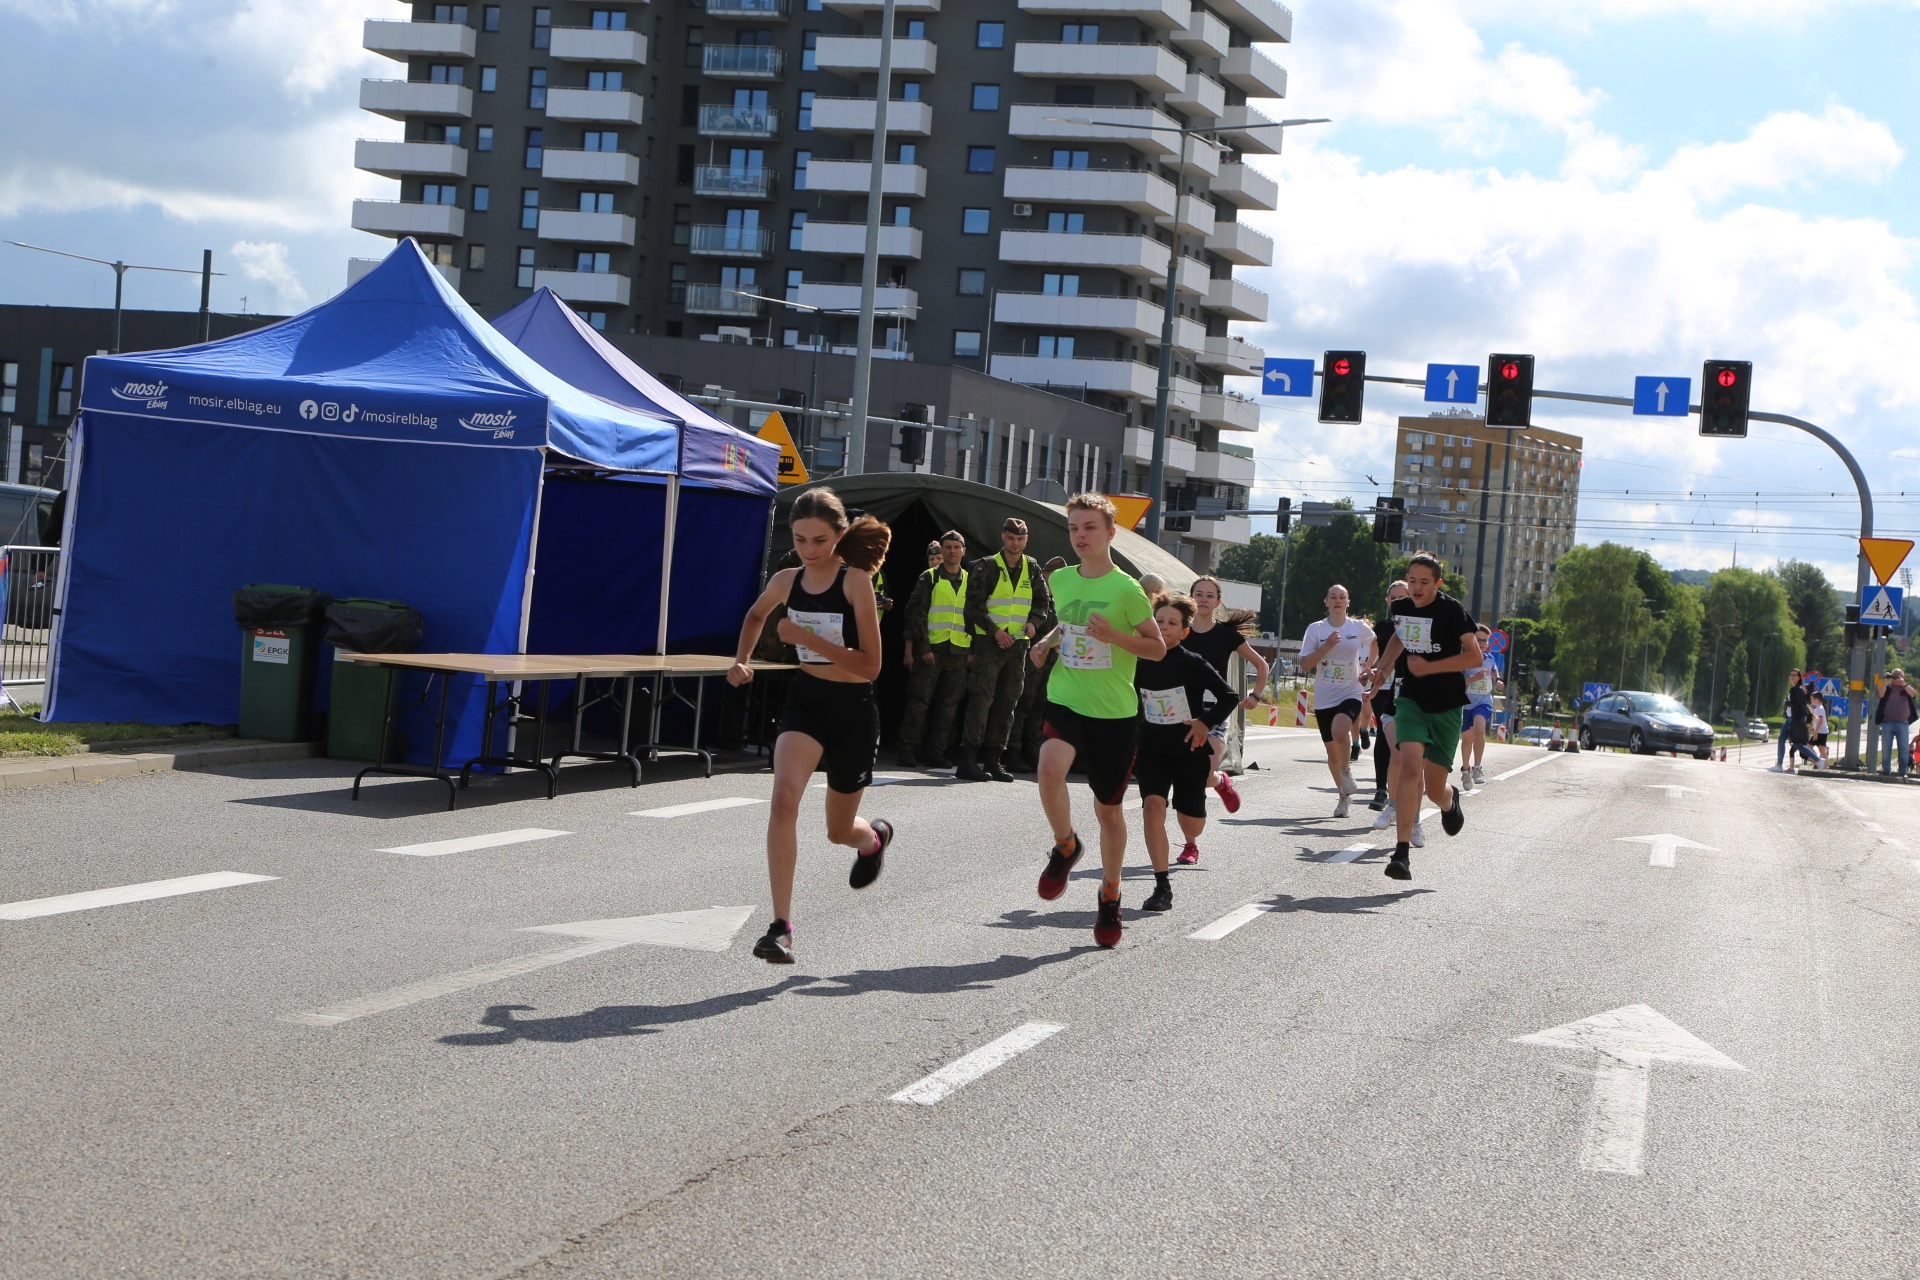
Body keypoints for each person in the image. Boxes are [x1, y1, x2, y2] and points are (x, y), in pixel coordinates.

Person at [726, 488, 894, 964]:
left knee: (838, 831)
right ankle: (780, 928)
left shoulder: (855, 583)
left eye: (819, 540)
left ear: (839, 535)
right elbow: (756, 614)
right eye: (800, 540)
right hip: (807, 702)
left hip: (853, 709)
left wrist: (804, 637)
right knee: (783, 800)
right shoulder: (786, 580)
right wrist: (741, 660)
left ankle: (873, 839)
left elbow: (871, 666)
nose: (809, 550)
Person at [1029, 494, 1165, 948]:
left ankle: (1110, 893)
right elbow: (1069, 623)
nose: (1080, 536)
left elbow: (1156, 647)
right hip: (1067, 697)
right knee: (1049, 770)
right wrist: (1047, 642)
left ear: (1110, 533)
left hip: (1113, 713)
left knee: (1108, 811)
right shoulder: (1062, 579)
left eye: (1089, 527)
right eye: (1074, 528)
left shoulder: (1127, 590)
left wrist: (1114, 636)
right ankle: (1065, 845)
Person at [1366, 553, 1477, 880]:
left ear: (1437, 583)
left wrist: (1430, 667)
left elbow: (1474, 655)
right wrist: (1381, 670)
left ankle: (1449, 801)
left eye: (1424, 582)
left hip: (1446, 704)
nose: (1416, 587)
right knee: (1410, 764)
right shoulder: (1402, 608)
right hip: (1411, 697)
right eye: (1412, 580)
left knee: (1434, 789)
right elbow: (1400, 637)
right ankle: (1401, 854)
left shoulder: (1451, 610)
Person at [1132, 593, 1238, 913]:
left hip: (1188, 749)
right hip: (1151, 749)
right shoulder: (1137, 661)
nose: (1164, 627)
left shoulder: (1192, 662)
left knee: (1192, 824)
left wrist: (1205, 722)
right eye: (1159, 621)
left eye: (1171, 623)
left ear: (1184, 632)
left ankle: (1215, 784)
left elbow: (1229, 696)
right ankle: (1162, 886)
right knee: (1152, 808)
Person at [957, 517, 1054, 782]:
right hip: (990, 644)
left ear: (1026, 540)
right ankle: (968, 760)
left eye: (1020, 539)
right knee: (981, 700)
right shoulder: (986, 566)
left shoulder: (1032, 567)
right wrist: (995, 632)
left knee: (1008, 702)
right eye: (1011, 538)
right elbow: (973, 607)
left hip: (1018, 646)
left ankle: (994, 760)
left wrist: (1034, 624)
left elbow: (1042, 604)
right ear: (1003, 537)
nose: (1015, 543)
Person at [1183, 576, 1271, 834]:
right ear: (1190, 598)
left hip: (1215, 711)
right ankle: (1217, 784)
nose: (1203, 599)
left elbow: (1261, 665)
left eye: (1209, 596)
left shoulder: (1226, 635)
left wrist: (1255, 695)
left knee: (1201, 775)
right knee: (1186, 777)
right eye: (1199, 594)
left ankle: (1218, 784)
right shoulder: (1179, 630)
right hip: (1183, 711)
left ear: (1218, 602)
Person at [1297, 584, 1376, 819]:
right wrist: (1326, 646)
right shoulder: (1316, 629)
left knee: (1340, 731)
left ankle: (1346, 770)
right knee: (1332, 754)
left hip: (1350, 691)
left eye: (1342, 597)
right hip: (1325, 696)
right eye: (1333, 597)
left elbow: (1375, 642)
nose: (1338, 600)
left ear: (1348, 602)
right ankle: (1343, 796)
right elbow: (1305, 664)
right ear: (1326, 602)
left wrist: (1368, 666)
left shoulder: (1357, 627)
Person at [897, 531, 971, 769]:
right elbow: (916, 614)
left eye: (956, 547)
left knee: (949, 705)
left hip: (958, 651)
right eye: (947, 547)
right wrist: (923, 647)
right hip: (933, 649)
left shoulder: (970, 580)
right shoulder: (929, 577)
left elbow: (976, 616)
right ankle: (907, 748)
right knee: (919, 701)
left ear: (963, 551)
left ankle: (937, 751)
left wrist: (972, 649)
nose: (952, 551)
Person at [1007, 555, 1069, 773]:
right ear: (1044, 574)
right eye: (1052, 575)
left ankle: (1031, 750)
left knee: (1039, 708)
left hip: (1050, 662)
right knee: (1023, 705)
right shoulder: (1035, 598)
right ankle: (1013, 750)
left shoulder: (1060, 601)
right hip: (1031, 659)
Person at [1368, 580, 1411, 820]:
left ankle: (1403, 786)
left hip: (1407, 686)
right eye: (1393, 598)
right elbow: (1379, 657)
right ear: (1387, 601)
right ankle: (1381, 789)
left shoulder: (1415, 626)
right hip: (1383, 688)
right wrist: (1370, 672)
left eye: (1401, 597)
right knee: (1384, 736)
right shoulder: (1383, 628)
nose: (1397, 601)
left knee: (1403, 742)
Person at [1459, 624, 1500, 790]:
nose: (1482, 643)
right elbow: (1457, 683)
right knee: (1467, 739)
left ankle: (1477, 768)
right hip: (1466, 704)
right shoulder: (1463, 659)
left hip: (1483, 701)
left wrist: (1499, 681)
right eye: (1478, 640)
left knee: (1479, 729)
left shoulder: (1489, 659)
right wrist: (1474, 678)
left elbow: (1494, 672)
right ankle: (1466, 769)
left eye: (1485, 641)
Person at [1874, 669, 1917, 776]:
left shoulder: (1906, 687)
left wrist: (1903, 683)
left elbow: (1913, 694)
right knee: (1886, 748)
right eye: (1894, 675)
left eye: (1899, 675)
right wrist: (1886, 680)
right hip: (1887, 722)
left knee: (1903, 749)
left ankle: (1902, 772)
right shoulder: (1888, 688)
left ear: (1903, 676)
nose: (1896, 677)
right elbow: (1880, 694)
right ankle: (1886, 770)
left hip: (1903, 723)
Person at [1809, 691, 1830, 768]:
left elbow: (1820, 721)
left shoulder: (1819, 709)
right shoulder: (1817, 709)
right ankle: (1823, 764)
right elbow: (1815, 721)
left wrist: (1816, 732)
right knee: (1820, 749)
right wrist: (1810, 728)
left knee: (1813, 748)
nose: (1811, 700)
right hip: (1821, 732)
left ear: (1817, 700)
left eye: (1812, 699)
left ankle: (1823, 765)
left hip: (1821, 732)